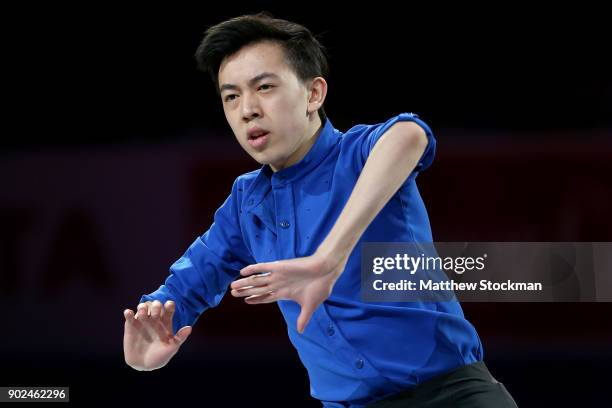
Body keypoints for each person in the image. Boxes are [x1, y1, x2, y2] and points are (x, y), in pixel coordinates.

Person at [122, 13, 518, 407]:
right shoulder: (246, 203)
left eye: (264, 87)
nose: (248, 110)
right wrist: (154, 328)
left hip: (451, 396)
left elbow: (409, 134)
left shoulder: (359, 153)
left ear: (313, 94)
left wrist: (329, 259)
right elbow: (186, 285)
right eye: (231, 96)